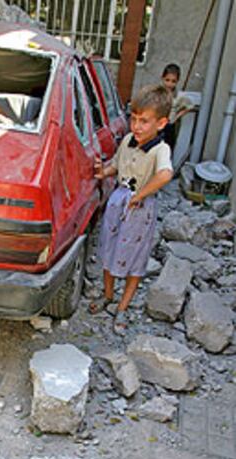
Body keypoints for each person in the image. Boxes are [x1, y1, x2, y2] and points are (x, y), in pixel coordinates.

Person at [94, 84, 174, 335]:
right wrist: (102, 171)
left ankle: (122, 307)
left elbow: (165, 174)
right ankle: (108, 295)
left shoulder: (161, 149)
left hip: (139, 209)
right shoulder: (129, 140)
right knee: (109, 248)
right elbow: (116, 165)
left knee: (134, 258)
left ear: (161, 124)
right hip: (118, 202)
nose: (137, 126)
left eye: (145, 121)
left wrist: (140, 195)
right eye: (134, 119)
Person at [161, 63, 193, 151]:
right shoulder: (158, 93)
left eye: (173, 81)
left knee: (167, 149)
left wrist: (176, 117)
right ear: (162, 78)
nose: (170, 84)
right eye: (167, 80)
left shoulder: (178, 97)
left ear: (177, 81)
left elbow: (189, 106)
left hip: (169, 127)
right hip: (157, 124)